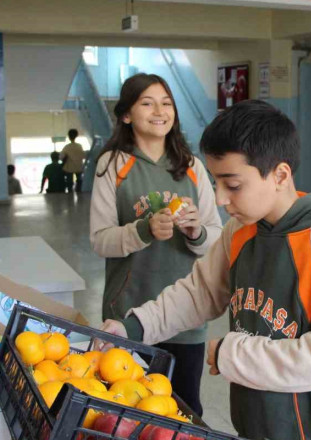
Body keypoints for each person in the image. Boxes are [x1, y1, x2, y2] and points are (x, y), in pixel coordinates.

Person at [101, 100, 311, 440]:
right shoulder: (241, 230)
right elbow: (199, 293)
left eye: (232, 185)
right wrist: (133, 327)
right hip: (257, 422)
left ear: (280, 175)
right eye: (216, 183)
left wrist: (233, 354)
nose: (219, 199)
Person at [90, 73, 222, 416]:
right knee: (130, 412)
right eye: (147, 103)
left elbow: (216, 237)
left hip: (186, 316)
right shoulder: (113, 164)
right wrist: (144, 230)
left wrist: (196, 232)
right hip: (128, 311)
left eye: (166, 103)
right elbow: (100, 241)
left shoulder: (191, 166)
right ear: (126, 114)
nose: (159, 111)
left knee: (184, 411)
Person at [61, 128, 87, 193]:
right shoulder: (79, 146)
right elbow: (83, 156)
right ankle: (79, 192)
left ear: (69, 136)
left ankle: (70, 193)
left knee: (69, 182)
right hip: (79, 167)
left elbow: (61, 157)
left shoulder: (67, 147)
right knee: (79, 180)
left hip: (69, 168)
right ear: (76, 136)